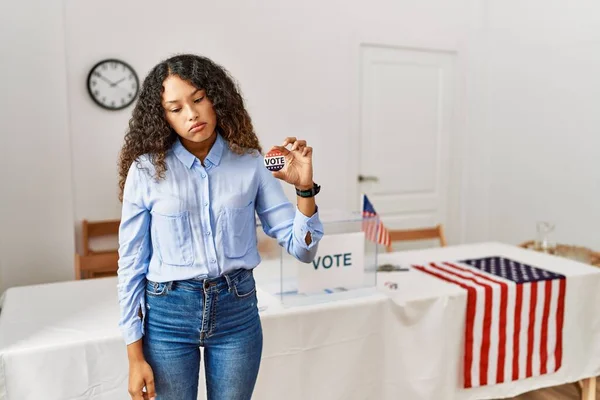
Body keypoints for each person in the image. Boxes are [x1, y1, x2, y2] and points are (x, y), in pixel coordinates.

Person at [116, 54, 324, 400]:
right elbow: (131, 265)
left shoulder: (251, 163)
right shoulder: (145, 171)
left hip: (237, 313)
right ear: (162, 116)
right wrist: (133, 356)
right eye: (176, 108)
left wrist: (304, 188)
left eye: (198, 99)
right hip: (167, 317)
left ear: (216, 97)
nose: (192, 114)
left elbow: (303, 248)